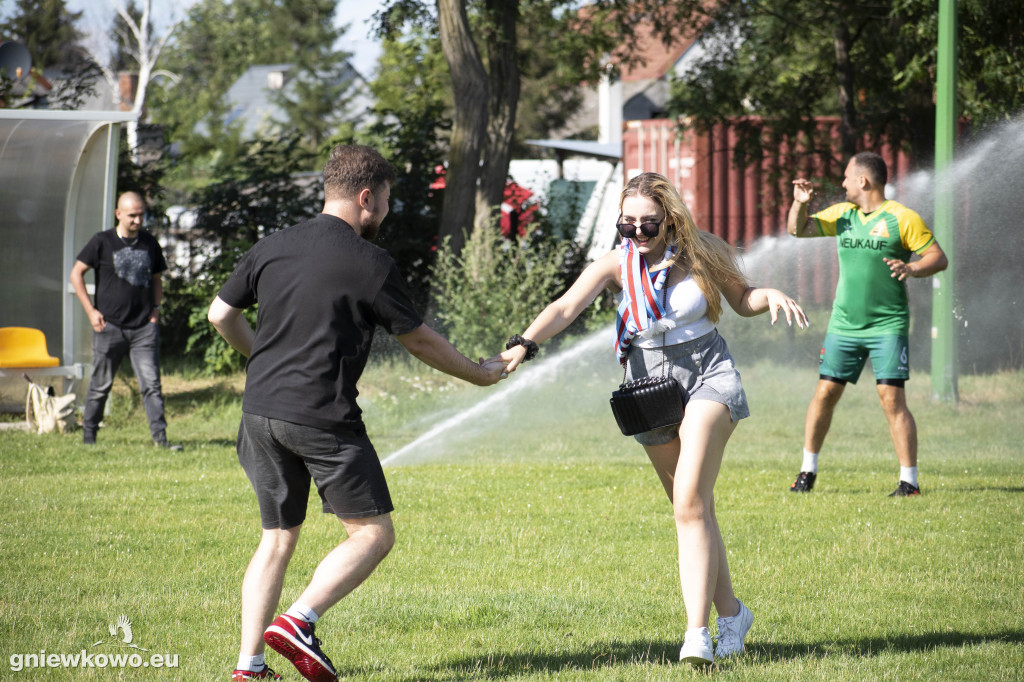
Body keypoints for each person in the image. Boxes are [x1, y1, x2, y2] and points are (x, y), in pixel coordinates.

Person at [207, 145, 508, 682]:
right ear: (366, 197)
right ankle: (298, 622)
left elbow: (220, 314)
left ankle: (248, 668)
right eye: (387, 201)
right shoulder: (371, 262)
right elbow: (417, 340)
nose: (387, 213)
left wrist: (262, 358)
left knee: (276, 538)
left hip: (259, 412)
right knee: (372, 535)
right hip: (321, 417)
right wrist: (480, 374)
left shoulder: (273, 245)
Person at [500, 172, 809, 667]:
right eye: (629, 225)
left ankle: (696, 635)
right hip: (649, 390)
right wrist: (524, 343)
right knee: (693, 510)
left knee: (689, 502)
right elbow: (564, 307)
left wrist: (767, 295)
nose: (639, 235)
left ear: (670, 218)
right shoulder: (618, 264)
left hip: (708, 375)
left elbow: (742, 299)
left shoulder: (702, 250)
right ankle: (732, 613)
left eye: (649, 224)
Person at [786, 152, 948, 497]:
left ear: (863, 181)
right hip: (843, 324)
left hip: (887, 325)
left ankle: (909, 482)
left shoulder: (903, 218)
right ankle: (806, 472)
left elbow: (938, 257)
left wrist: (913, 268)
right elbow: (796, 230)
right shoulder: (843, 215)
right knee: (825, 393)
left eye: (846, 177)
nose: (842, 183)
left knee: (892, 399)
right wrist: (800, 204)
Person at [70, 191, 181, 449]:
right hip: (109, 326)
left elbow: (156, 280)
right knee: (100, 385)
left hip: (144, 328)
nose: (138, 220)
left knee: (151, 385)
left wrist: (155, 311)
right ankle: (89, 439)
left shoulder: (149, 243)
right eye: (132, 215)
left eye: (141, 214)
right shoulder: (102, 241)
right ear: (119, 214)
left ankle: (161, 441)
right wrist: (91, 311)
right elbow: (76, 274)